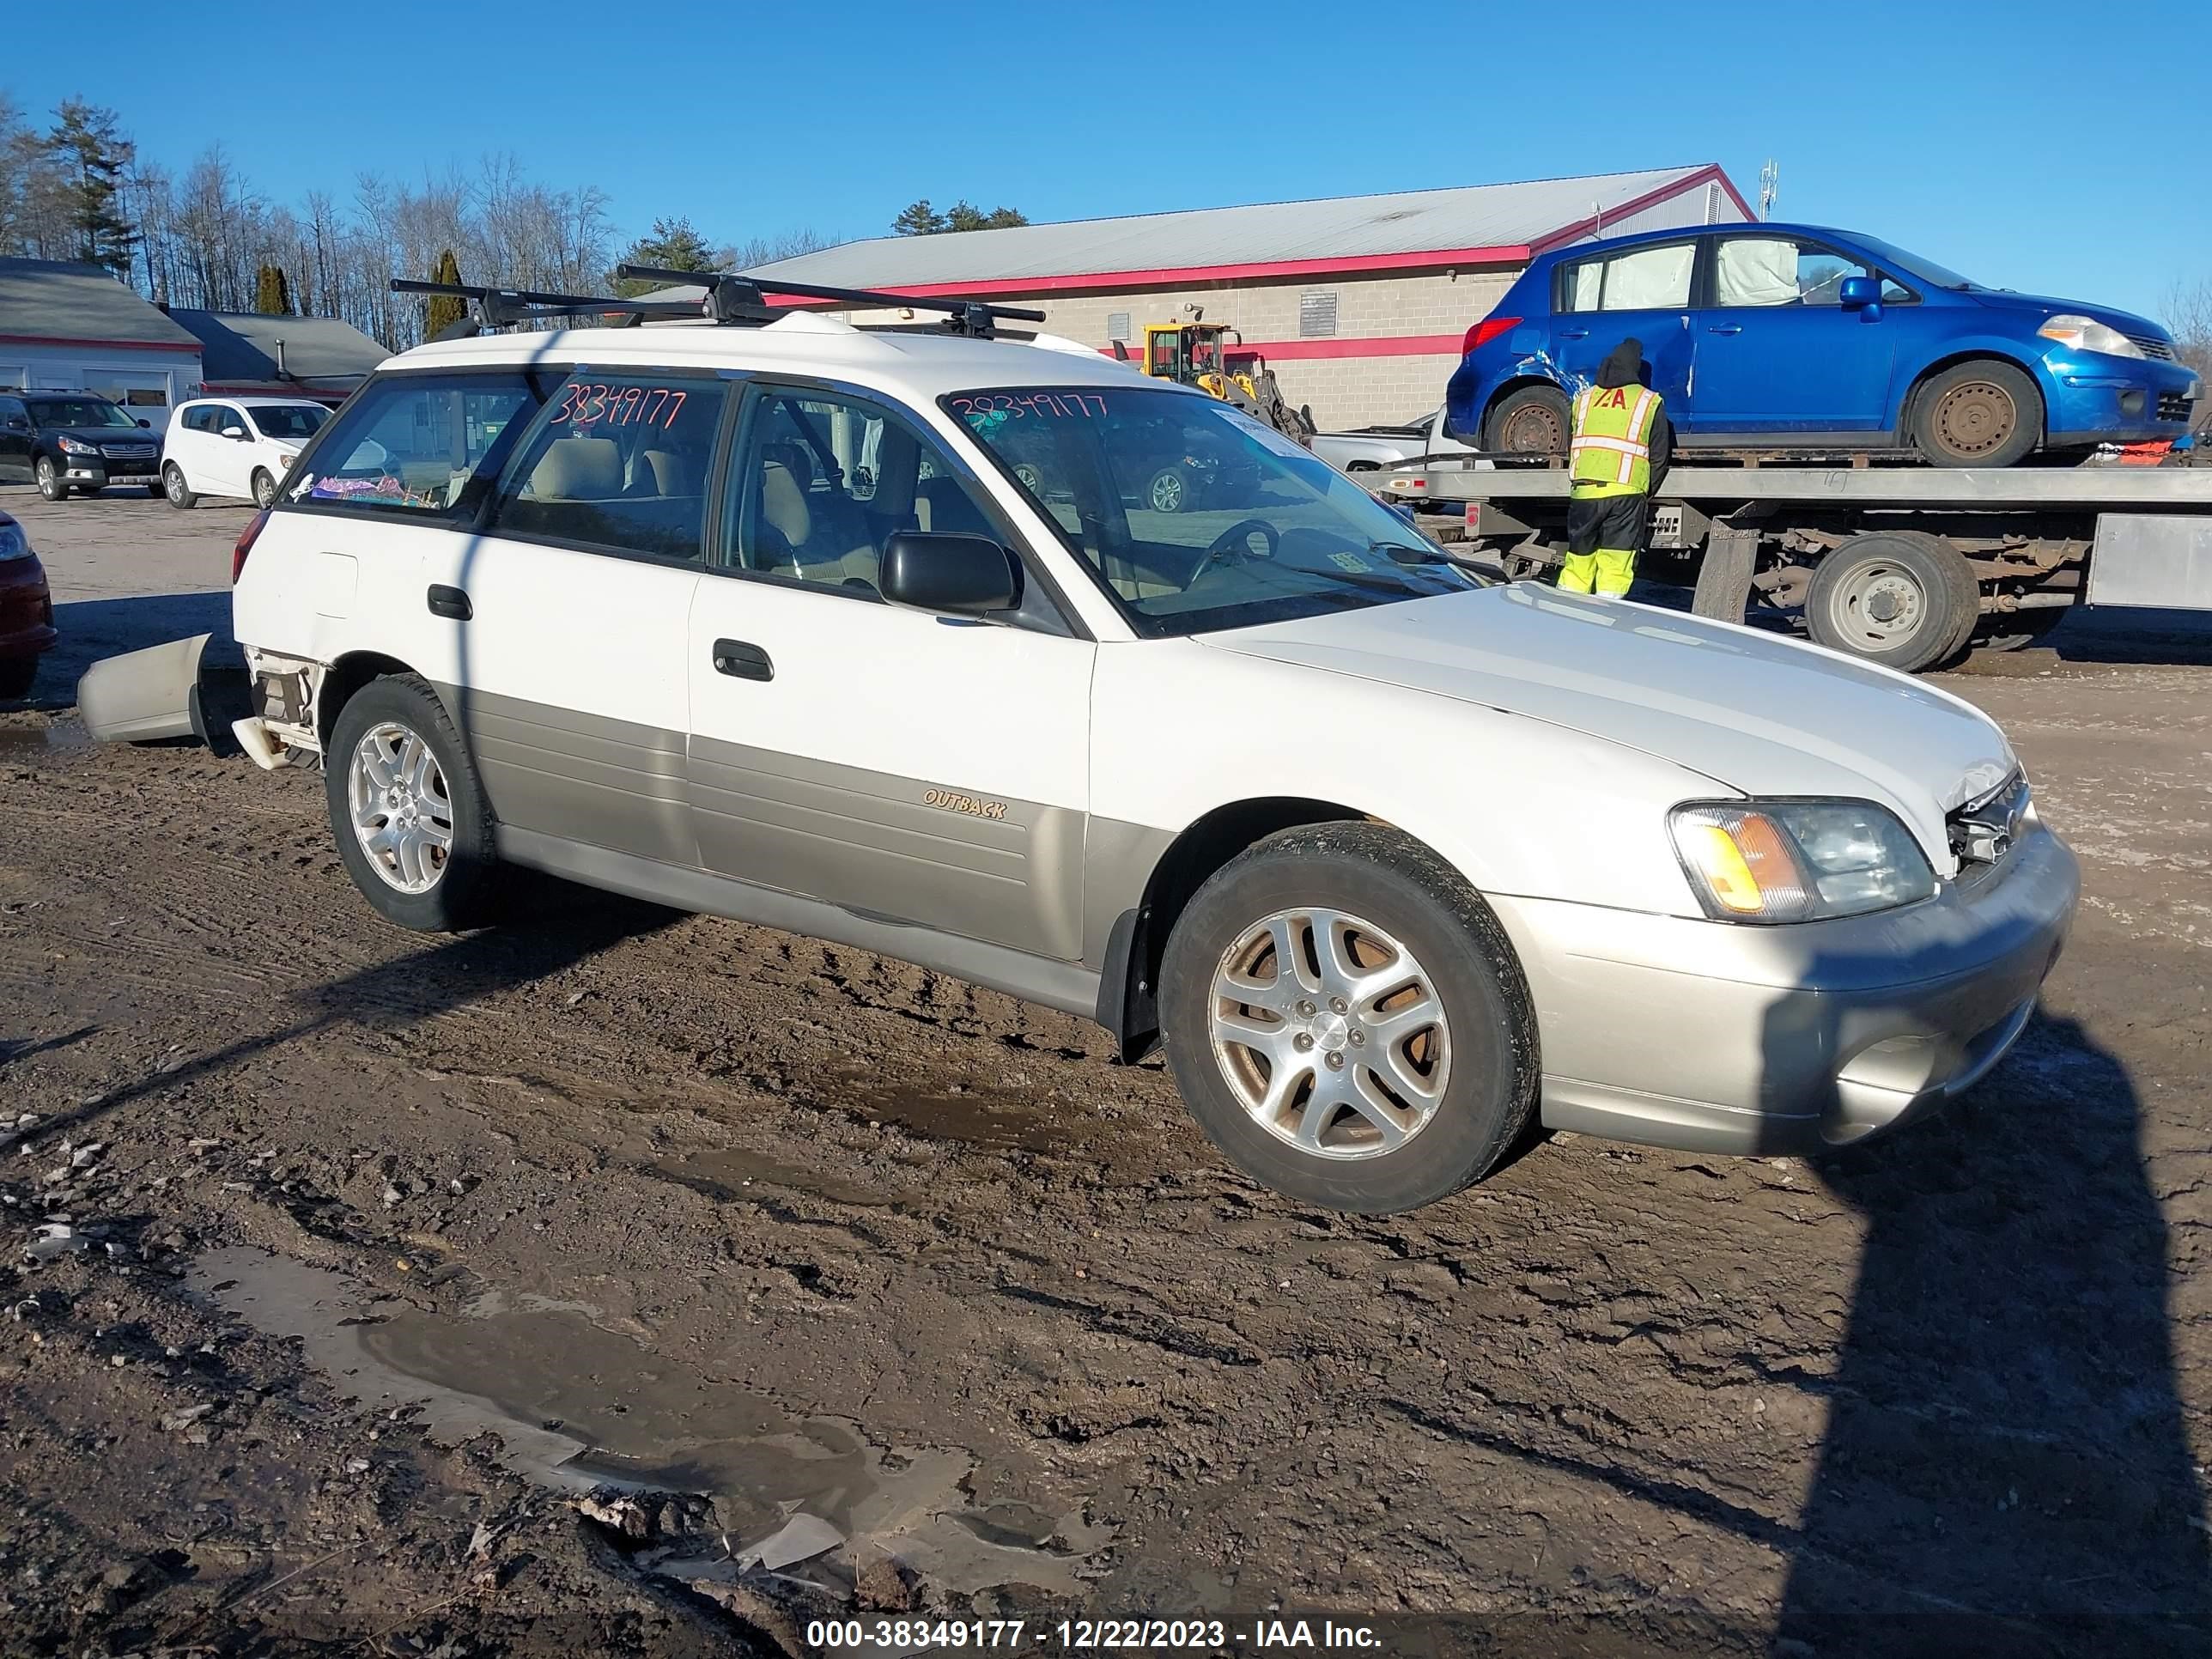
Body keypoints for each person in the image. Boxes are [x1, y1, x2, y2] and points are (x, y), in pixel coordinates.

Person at [1557, 337, 1669, 597]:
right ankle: (1607, 619)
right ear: (1636, 368)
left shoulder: (1584, 398)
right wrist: (1645, 490)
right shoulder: (1647, 401)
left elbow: (1573, 443)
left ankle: (1567, 615)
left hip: (1584, 491)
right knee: (1616, 564)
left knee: (1579, 559)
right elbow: (1660, 454)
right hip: (1626, 492)